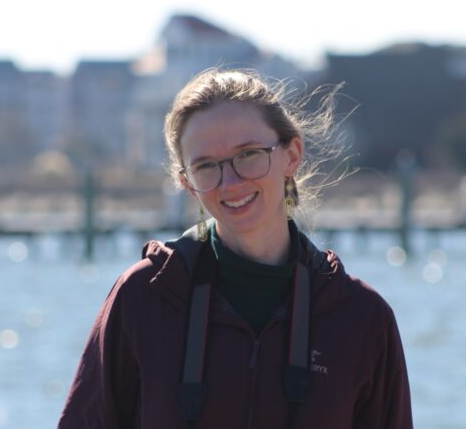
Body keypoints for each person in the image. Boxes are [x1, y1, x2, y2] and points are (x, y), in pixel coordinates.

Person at [58, 69, 413, 428]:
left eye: (249, 155)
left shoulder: (361, 318)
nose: (230, 182)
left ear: (292, 155)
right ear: (187, 183)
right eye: (206, 166)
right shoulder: (144, 297)